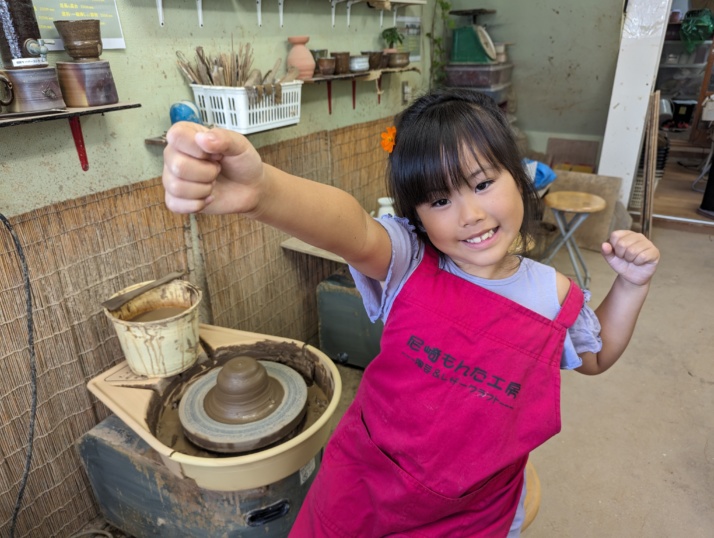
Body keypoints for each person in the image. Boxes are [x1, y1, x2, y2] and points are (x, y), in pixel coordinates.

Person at [161, 88, 660, 537]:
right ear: (415, 216)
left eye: (483, 183)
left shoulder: (553, 294)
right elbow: (349, 225)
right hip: (364, 482)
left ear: (519, 174)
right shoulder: (409, 259)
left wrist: (632, 285)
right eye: (440, 199)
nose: (470, 215)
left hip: (473, 510)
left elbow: (595, 359)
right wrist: (264, 192)